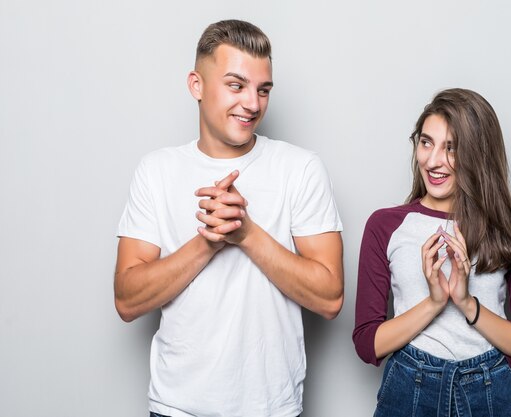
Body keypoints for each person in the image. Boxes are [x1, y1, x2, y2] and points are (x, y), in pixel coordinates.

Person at [114, 20, 344, 417]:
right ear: (196, 86)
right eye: (236, 85)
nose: (253, 104)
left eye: (263, 89)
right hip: (176, 408)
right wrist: (208, 242)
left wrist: (248, 234)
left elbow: (330, 298)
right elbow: (127, 299)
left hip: (271, 409)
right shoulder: (156, 170)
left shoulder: (301, 168)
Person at [352, 88, 511, 416]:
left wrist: (467, 303)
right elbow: (367, 343)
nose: (432, 160)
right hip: (408, 387)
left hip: (489, 389)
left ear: (477, 154)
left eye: (451, 148)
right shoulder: (385, 225)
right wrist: (434, 304)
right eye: (426, 142)